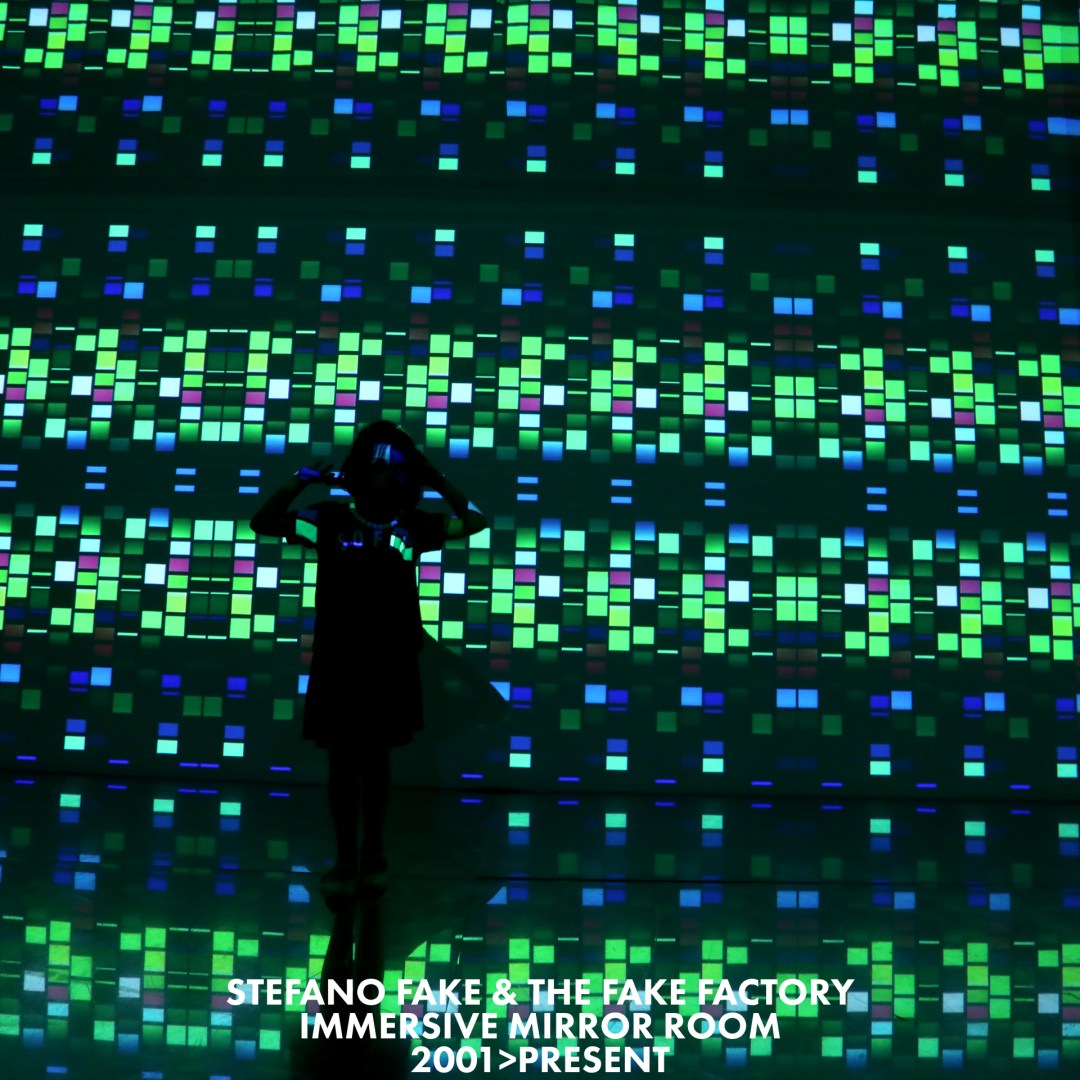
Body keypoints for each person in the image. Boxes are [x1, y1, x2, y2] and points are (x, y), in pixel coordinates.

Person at [249, 419, 488, 904]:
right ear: (359, 469)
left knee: (376, 762)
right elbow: (264, 521)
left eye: (397, 466)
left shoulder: (413, 523)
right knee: (342, 763)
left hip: (389, 658)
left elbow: (476, 521)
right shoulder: (328, 519)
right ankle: (345, 858)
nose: (386, 473)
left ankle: (373, 855)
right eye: (377, 464)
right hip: (340, 657)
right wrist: (299, 481)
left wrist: (436, 476)